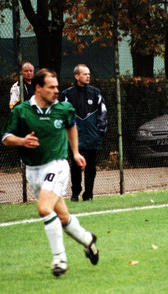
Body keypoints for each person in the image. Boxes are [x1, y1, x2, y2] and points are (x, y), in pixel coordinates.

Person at [2, 69, 99, 277]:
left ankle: (59, 259)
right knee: (62, 217)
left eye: (57, 87)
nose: (57, 91)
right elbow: (6, 137)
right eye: (51, 87)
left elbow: (71, 126)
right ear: (38, 88)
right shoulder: (22, 110)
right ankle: (87, 240)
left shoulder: (63, 108)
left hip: (57, 165)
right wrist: (22, 141)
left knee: (45, 209)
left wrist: (75, 152)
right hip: (32, 170)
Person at [59, 64, 107, 202]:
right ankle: (75, 193)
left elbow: (103, 112)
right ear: (76, 76)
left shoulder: (95, 92)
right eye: (85, 74)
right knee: (75, 167)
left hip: (92, 137)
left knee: (91, 168)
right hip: (75, 138)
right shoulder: (67, 94)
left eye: (89, 74)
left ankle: (89, 194)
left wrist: (100, 130)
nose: (88, 76)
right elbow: (62, 114)